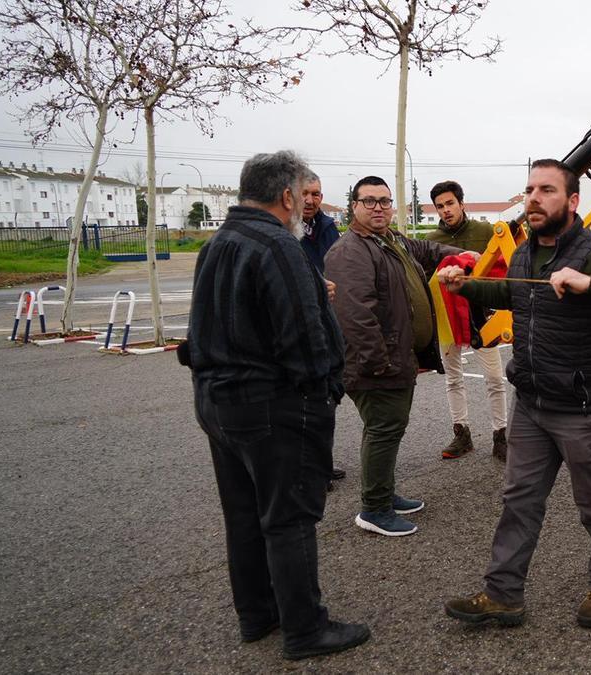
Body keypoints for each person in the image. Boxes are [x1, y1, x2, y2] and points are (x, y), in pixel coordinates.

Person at [438, 159, 591, 629]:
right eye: (529, 190)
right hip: (533, 405)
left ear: (573, 200)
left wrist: (589, 283)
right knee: (518, 501)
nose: (534, 198)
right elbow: (516, 294)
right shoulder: (524, 253)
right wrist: (468, 287)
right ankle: (503, 595)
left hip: (584, 411)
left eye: (546, 190)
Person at [185, 151, 369, 660]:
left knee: (244, 514)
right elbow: (305, 339)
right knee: (288, 517)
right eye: (300, 196)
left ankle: (257, 614)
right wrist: (326, 389)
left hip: (218, 401)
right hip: (271, 406)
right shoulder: (277, 246)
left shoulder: (218, 242)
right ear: (287, 196)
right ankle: (305, 630)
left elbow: (204, 326)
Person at [325, 176, 463, 537]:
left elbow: (426, 251)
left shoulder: (390, 241)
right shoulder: (350, 251)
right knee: (384, 430)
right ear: (354, 205)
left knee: (389, 429)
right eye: (369, 201)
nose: (378, 208)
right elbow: (355, 316)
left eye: (385, 201)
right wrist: (381, 363)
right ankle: (374, 509)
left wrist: (460, 255)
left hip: (396, 359)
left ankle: (383, 494)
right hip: (376, 365)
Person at [425, 180, 508, 461]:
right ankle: (462, 434)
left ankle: (501, 435)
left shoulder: (486, 232)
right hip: (448, 318)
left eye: (450, 203)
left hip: (483, 315)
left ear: (462, 203)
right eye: (440, 206)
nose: (446, 210)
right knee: (453, 378)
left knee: (495, 378)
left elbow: (504, 264)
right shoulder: (431, 240)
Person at [299, 172, 347, 486]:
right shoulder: (283, 230)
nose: (311, 200)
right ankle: (307, 468)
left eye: (316, 194)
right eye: (305, 193)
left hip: (327, 319)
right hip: (299, 321)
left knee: (327, 396)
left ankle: (322, 462)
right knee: (303, 398)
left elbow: (341, 265)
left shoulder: (327, 227)